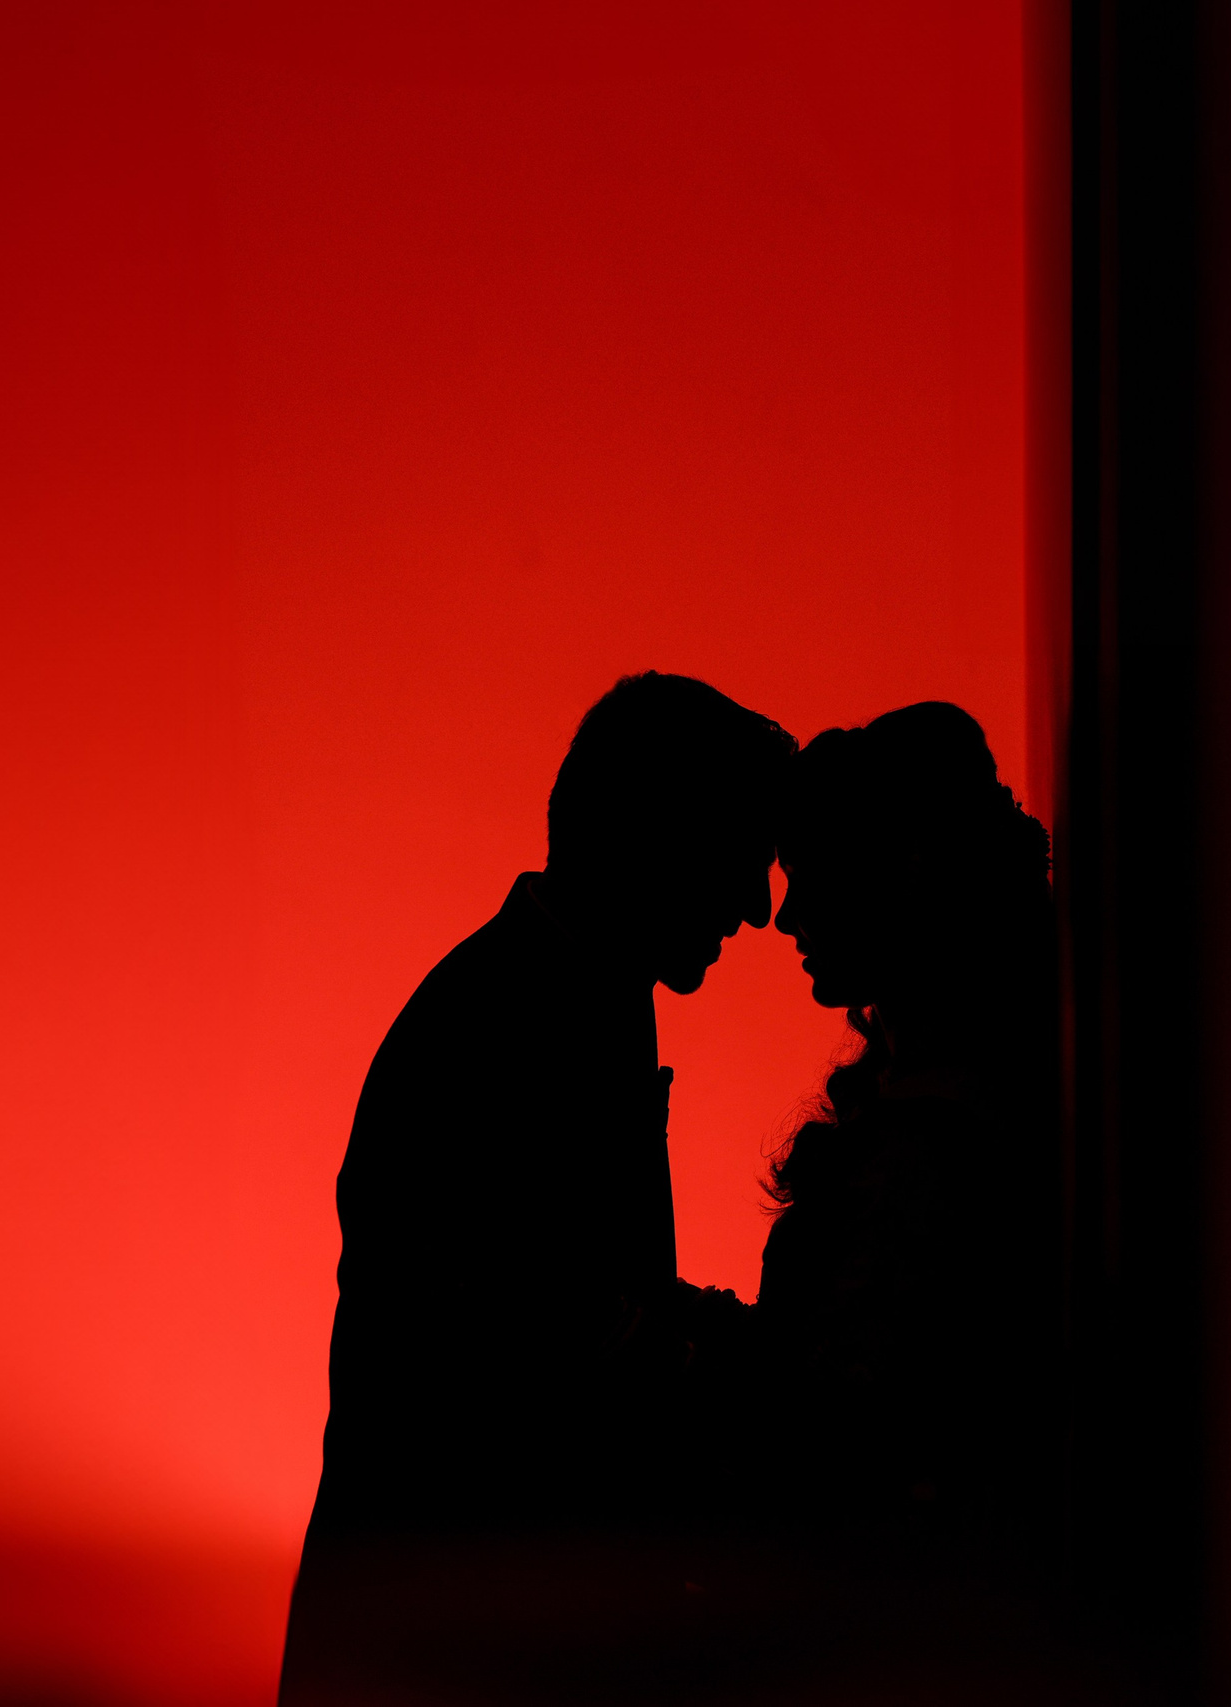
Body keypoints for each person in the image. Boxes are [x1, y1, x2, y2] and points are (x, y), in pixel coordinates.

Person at [280, 672, 791, 1700]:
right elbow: (534, 1318)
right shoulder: (503, 1021)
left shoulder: (566, 997)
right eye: (737, 850)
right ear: (652, 834)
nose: (757, 905)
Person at [751, 702, 1061, 1566]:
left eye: (808, 875)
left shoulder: (954, 1138)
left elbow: (856, 1411)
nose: (785, 915)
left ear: (906, 868)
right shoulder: (926, 1094)